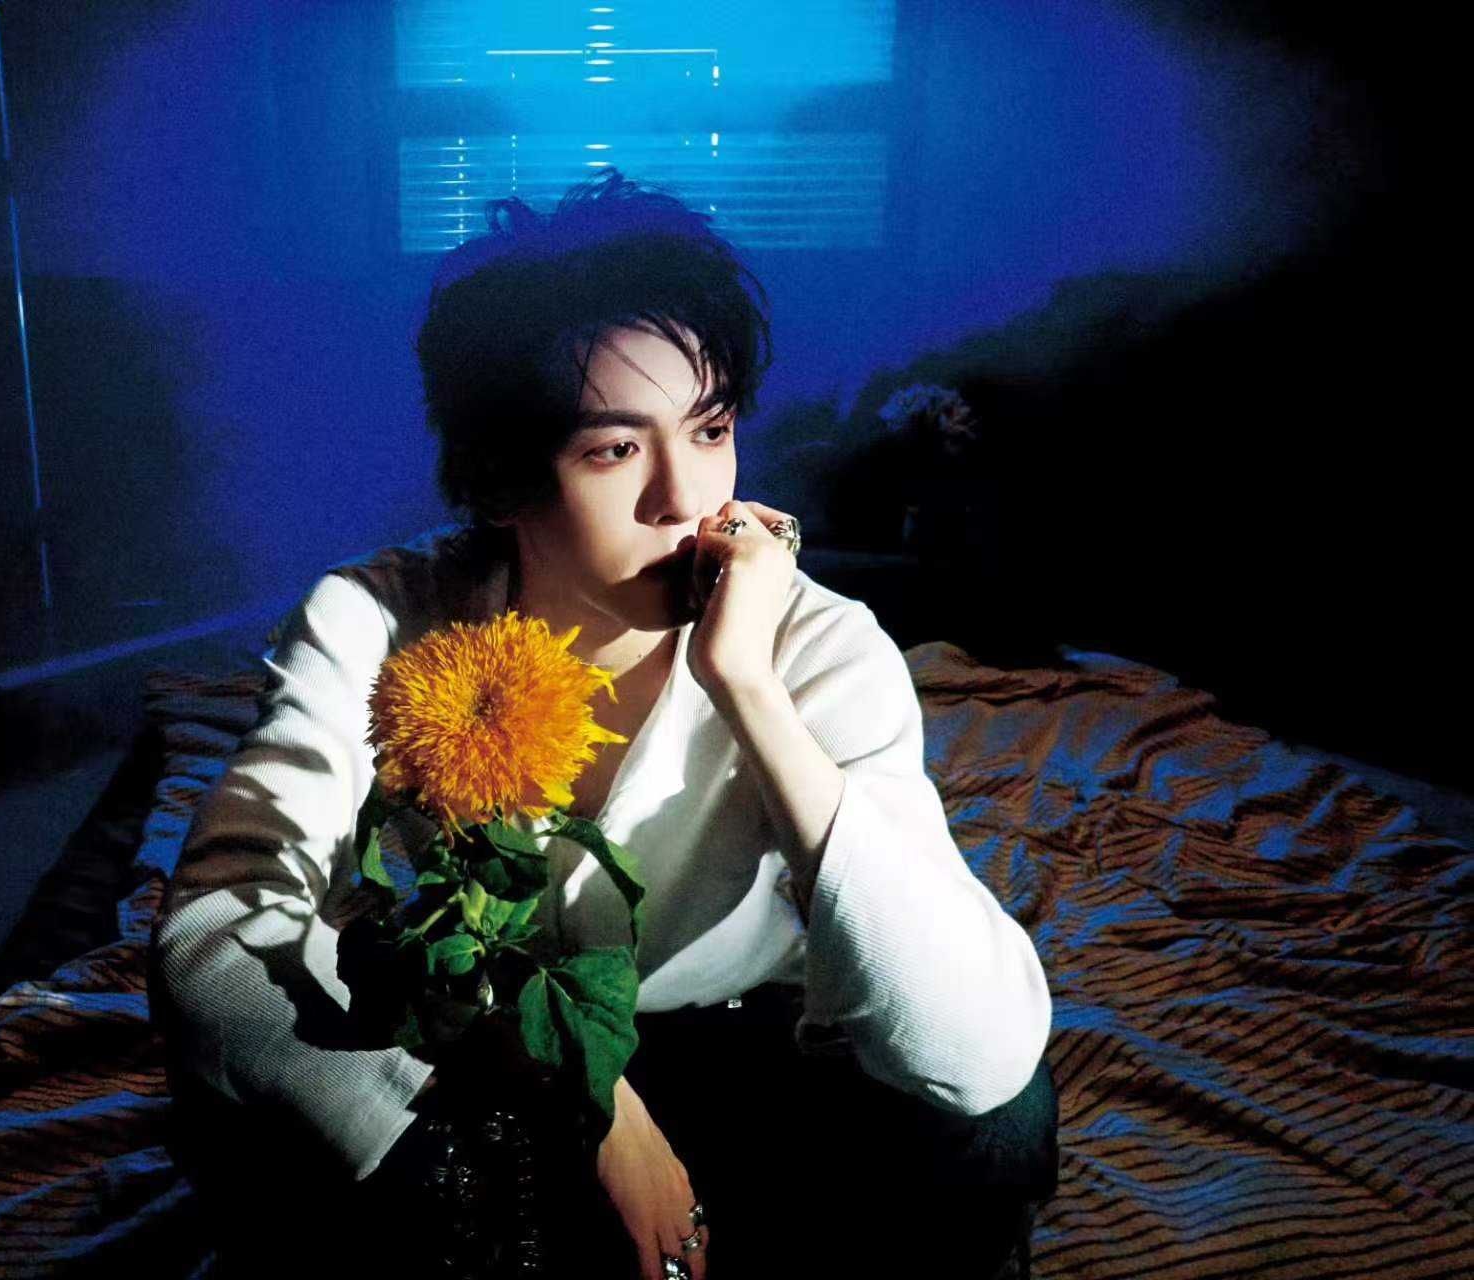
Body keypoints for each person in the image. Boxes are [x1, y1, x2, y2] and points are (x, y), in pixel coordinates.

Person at [148, 169, 1059, 1279]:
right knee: (252, 1120)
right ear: (499, 480)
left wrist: (748, 691)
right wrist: (576, 1093)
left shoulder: (814, 642)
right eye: (613, 450)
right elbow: (214, 939)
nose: (686, 499)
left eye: (711, 428)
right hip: (484, 1062)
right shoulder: (377, 618)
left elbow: (977, 1053)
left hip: (744, 1048)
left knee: (995, 1123)